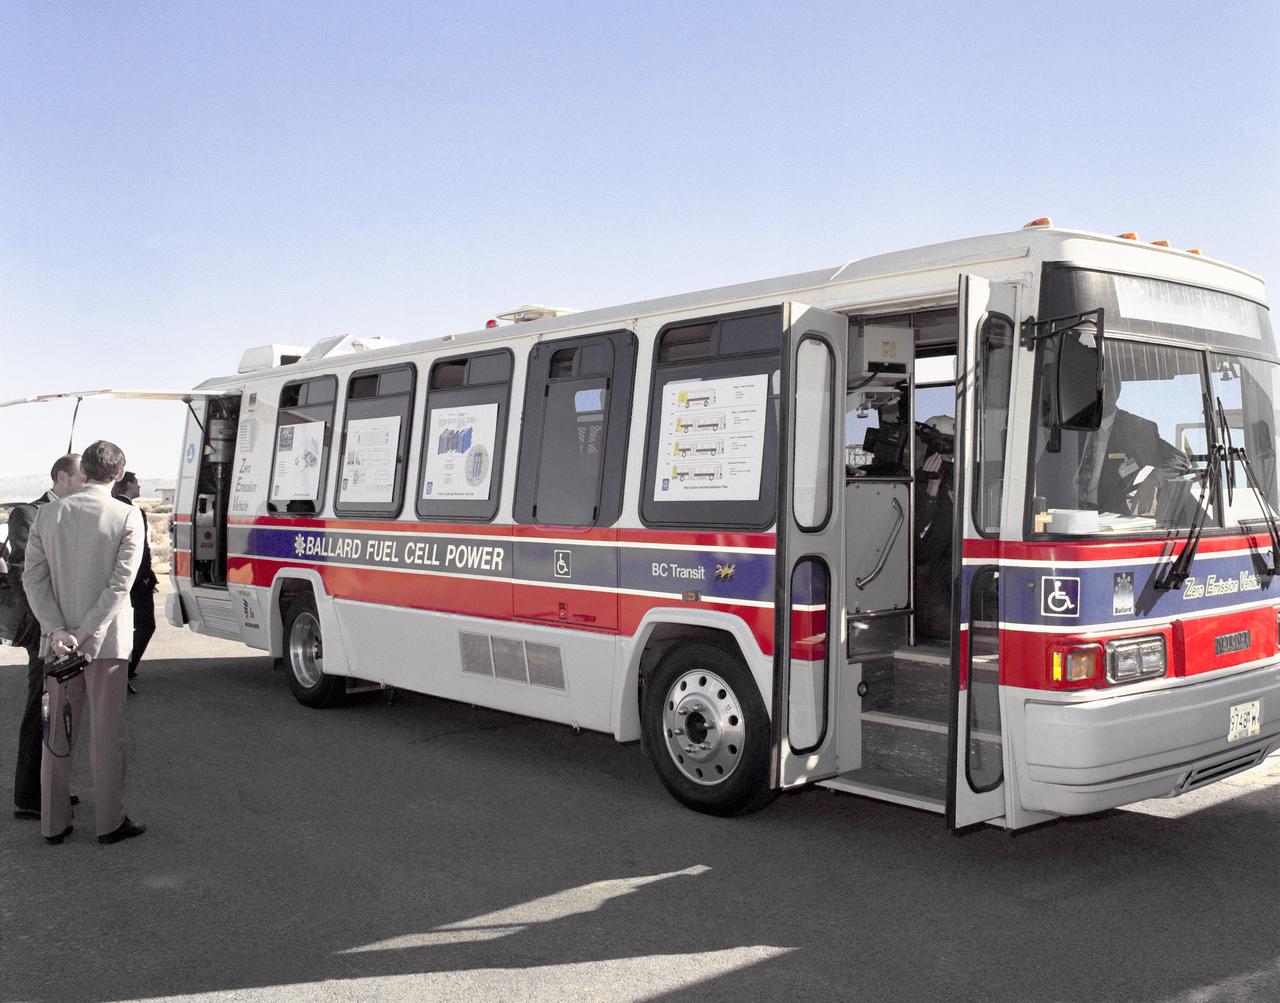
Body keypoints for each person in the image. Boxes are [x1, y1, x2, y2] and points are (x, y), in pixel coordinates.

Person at [23, 440, 147, 845]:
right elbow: (120, 585)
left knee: (54, 734)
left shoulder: (48, 514)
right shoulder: (127, 515)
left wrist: (58, 630)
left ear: (85, 470)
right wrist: (85, 632)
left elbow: (32, 578)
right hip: (106, 645)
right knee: (108, 735)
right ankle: (109, 822)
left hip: (56, 647)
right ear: (118, 473)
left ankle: (53, 823)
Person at [9, 454, 86, 821]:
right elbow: (23, 575)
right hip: (44, 628)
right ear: (61, 477)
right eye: (81, 475)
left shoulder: (77, 513)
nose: (86, 482)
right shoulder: (28, 513)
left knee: (58, 710)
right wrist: (50, 623)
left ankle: (49, 788)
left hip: (70, 628)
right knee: (39, 709)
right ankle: (29, 796)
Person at [113, 470, 157, 692]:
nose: (139, 487)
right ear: (128, 484)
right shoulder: (134, 512)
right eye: (137, 483)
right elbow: (140, 550)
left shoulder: (111, 508)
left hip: (114, 578)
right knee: (146, 624)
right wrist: (147, 577)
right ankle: (125, 670)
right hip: (136, 580)